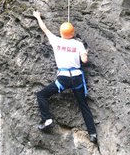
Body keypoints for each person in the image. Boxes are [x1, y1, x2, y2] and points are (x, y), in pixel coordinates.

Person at [33, 10, 97, 143]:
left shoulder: (56, 41)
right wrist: (85, 53)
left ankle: (47, 119)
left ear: (61, 33)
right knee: (83, 105)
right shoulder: (78, 44)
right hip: (77, 78)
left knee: (41, 95)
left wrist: (37, 16)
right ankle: (93, 134)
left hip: (63, 79)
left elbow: (44, 29)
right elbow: (84, 60)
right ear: (73, 33)